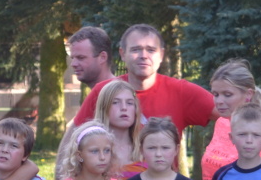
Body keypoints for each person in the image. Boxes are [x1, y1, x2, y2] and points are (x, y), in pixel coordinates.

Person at [75, 24, 216, 133]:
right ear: (123, 54)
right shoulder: (104, 91)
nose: (143, 56)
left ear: (161, 55)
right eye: (136, 49)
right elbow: (71, 144)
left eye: (151, 50)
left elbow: (227, 115)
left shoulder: (181, 91)